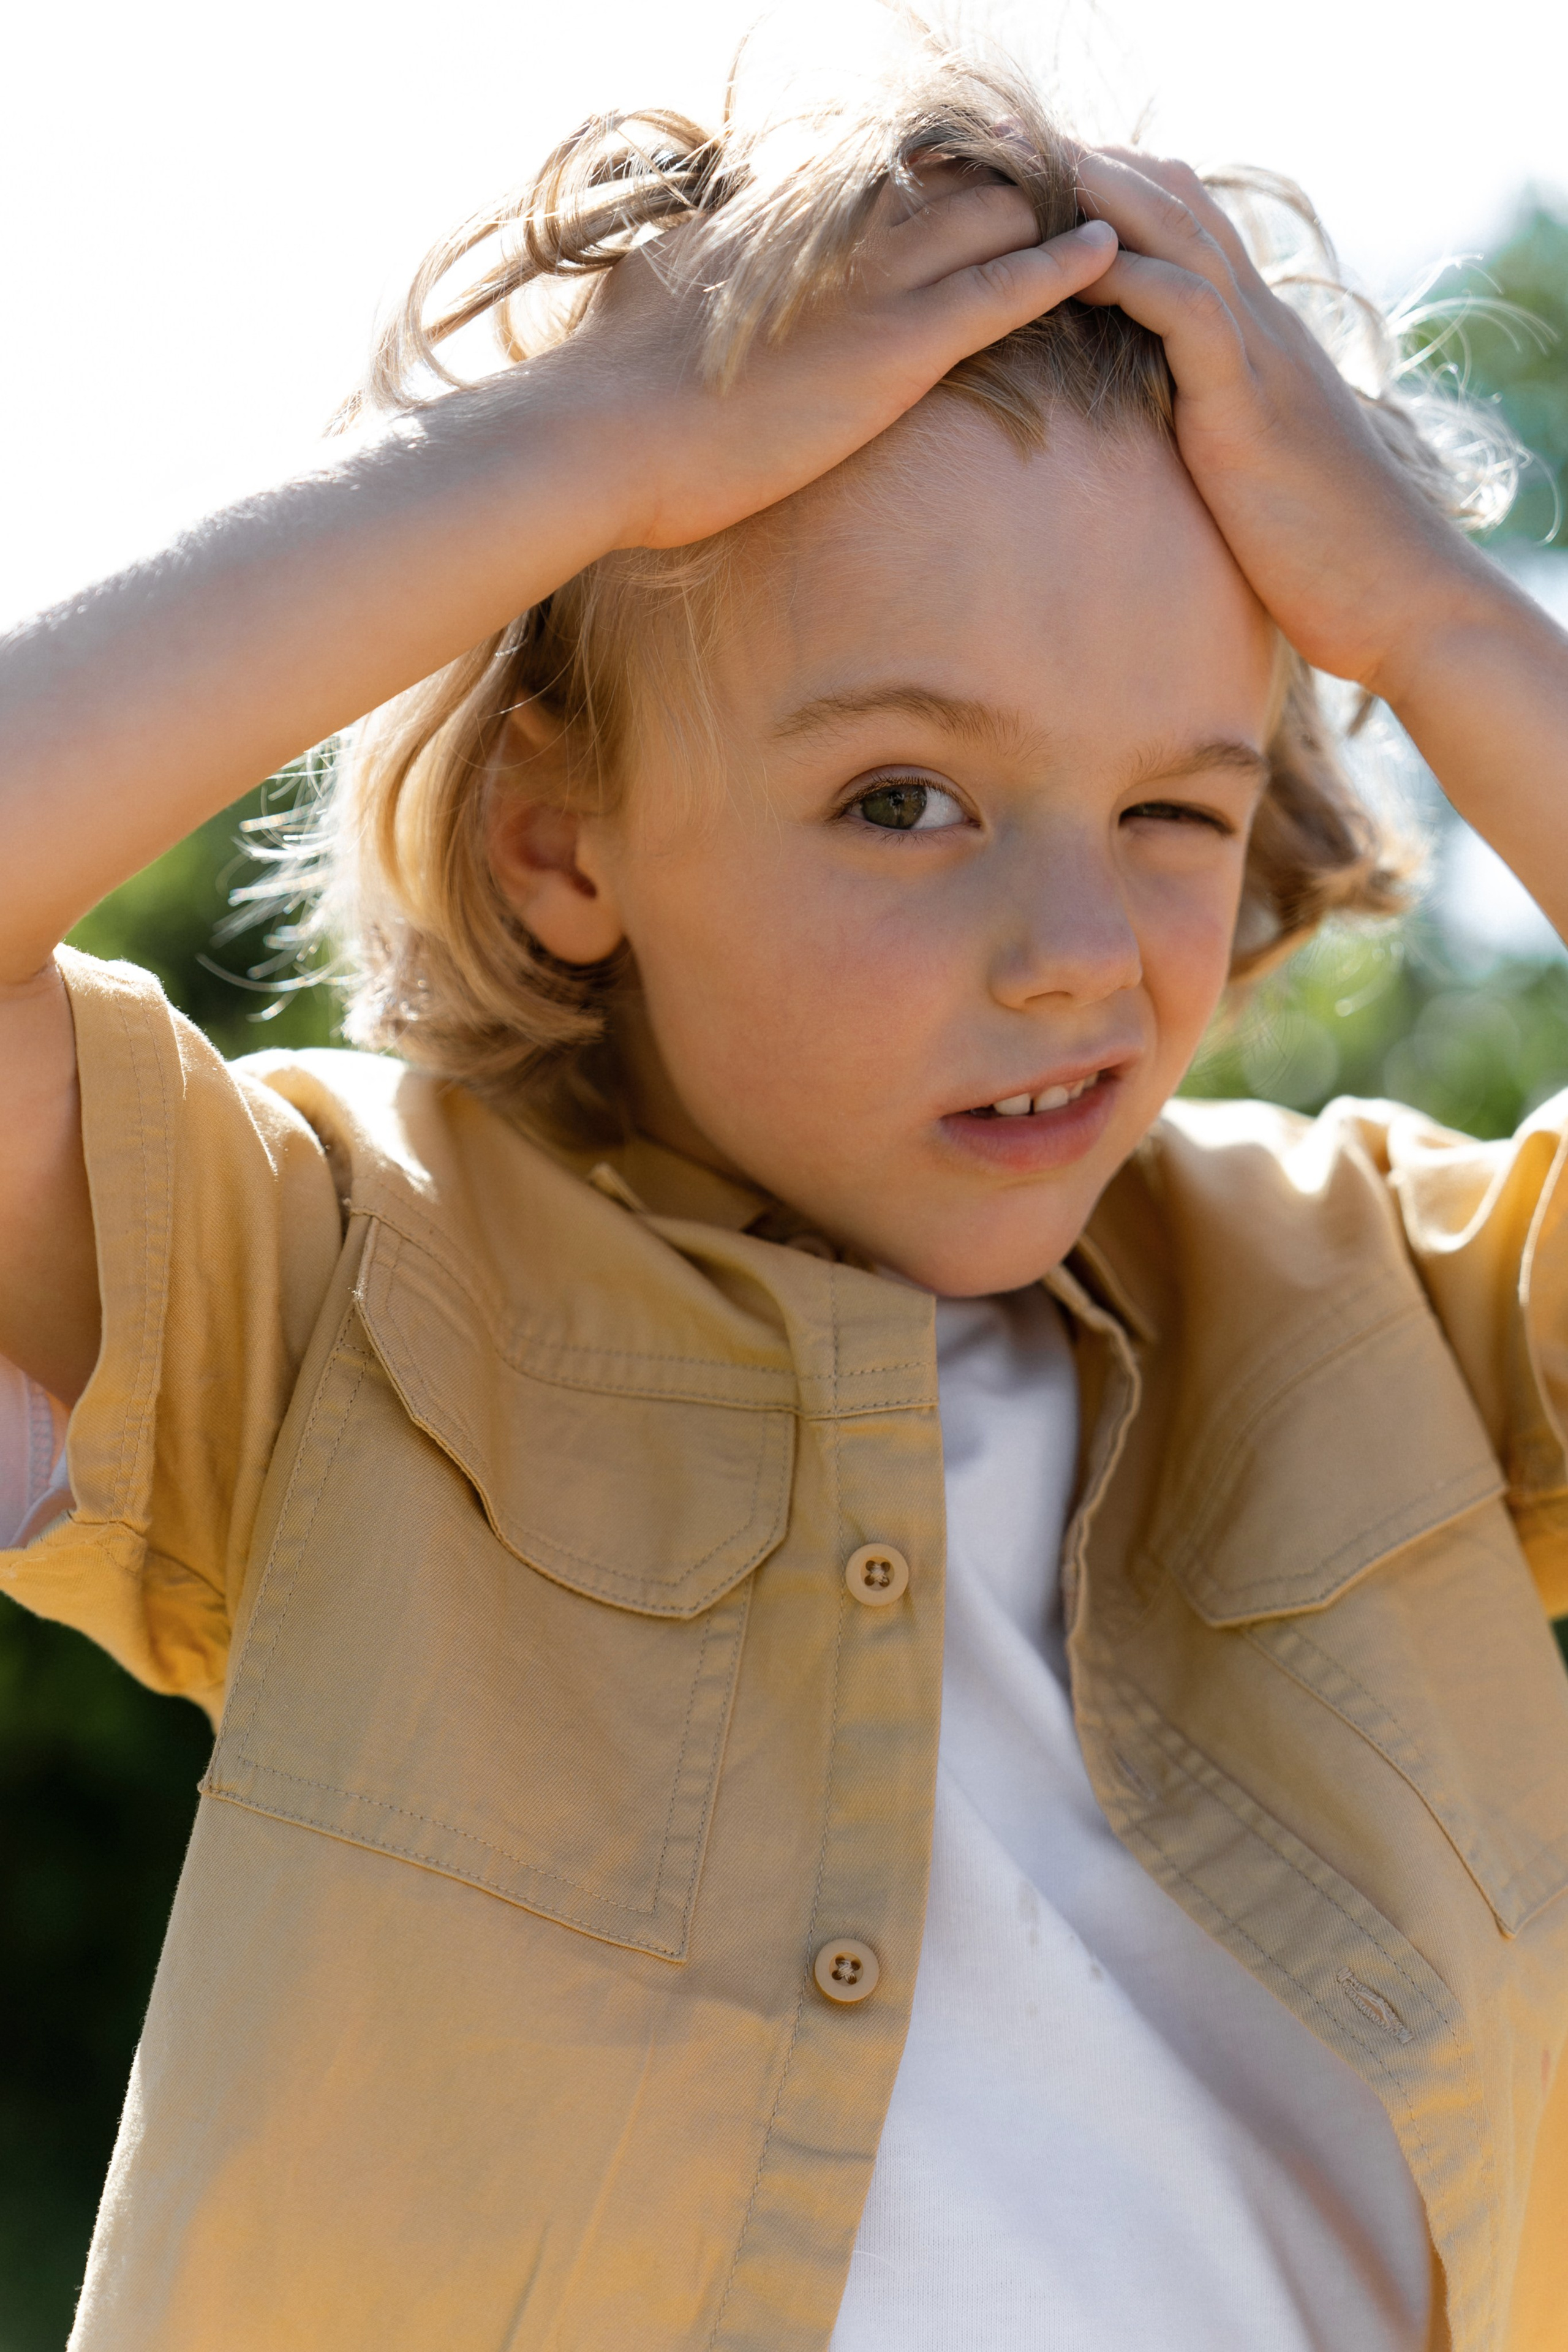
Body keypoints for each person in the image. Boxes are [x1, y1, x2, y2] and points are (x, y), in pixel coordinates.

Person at [2, 32, 1566, 2352]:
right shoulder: (335, 1288)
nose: (1078, 951)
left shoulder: (1405, 1311)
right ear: (560, 839)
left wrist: (1431, 611)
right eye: (903, 800)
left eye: (1173, 807)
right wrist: (583, 449)